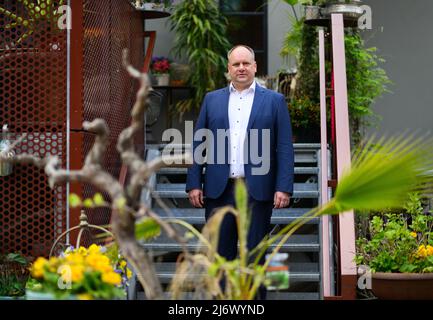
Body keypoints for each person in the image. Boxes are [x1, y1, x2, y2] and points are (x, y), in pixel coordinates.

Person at [185, 44, 294, 299]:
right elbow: (199, 143)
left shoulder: (275, 101)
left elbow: (284, 147)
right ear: (229, 69)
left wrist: (283, 186)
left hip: (258, 191)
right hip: (218, 190)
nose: (241, 68)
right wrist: (194, 182)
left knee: (255, 255)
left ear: (255, 67)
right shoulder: (212, 100)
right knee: (220, 256)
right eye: (236, 64)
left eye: (246, 63)